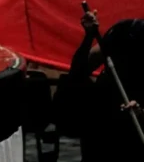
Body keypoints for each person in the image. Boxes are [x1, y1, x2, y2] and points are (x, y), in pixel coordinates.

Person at [57, 9, 144, 160]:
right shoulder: (125, 30)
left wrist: (142, 112)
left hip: (134, 135)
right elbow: (79, 70)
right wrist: (89, 36)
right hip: (101, 122)